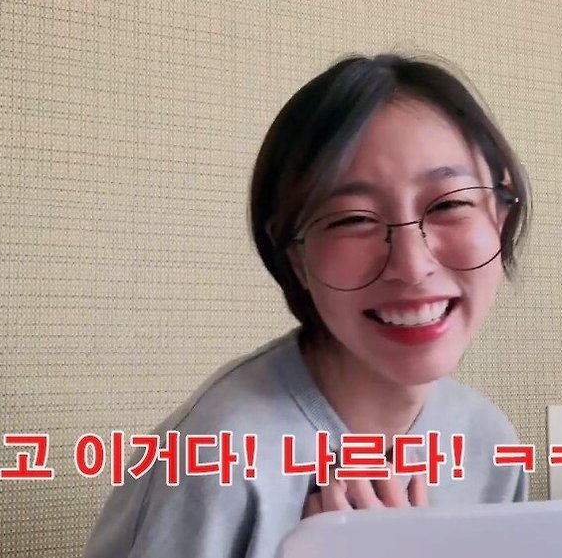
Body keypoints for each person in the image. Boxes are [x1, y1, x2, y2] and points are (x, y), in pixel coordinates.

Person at [84, 52, 532, 558]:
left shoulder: (490, 445)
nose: (412, 265)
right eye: (351, 219)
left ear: (499, 214)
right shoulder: (215, 456)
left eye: (450, 204)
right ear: (296, 258)